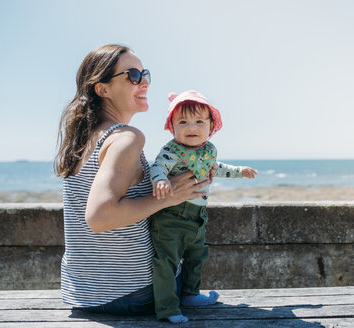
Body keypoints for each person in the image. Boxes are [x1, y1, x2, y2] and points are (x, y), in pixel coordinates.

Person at [55, 44, 209, 317]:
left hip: (83, 293)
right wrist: (170, 197)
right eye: (133, 75)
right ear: (102, 89)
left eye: (145, 73)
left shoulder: (81, 139)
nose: (145, 82)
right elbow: (99, 217)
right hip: (134, 293)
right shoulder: (126, 137)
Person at [149, 90, 258, 323]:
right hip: (170, 216)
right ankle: (167, 308)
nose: (192, 127)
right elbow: (157, 167)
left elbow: (215, 167)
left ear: (211, 126)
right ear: (172, 127)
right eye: (183, 122)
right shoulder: (172, 151)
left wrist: (240, 172)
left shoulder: (207, 150)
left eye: (199, 121)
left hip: (197, 216)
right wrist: (160, 179)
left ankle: (189, 294)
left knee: (197, 255)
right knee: (166, 261)